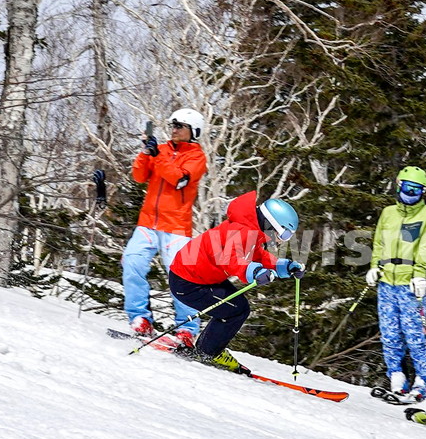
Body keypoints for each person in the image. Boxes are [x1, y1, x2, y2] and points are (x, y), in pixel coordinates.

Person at [168, 191, 302, 373]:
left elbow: (257, 255)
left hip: (201, 277)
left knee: (237, 308)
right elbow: (229, 258)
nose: (282, 240)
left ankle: (206, 349)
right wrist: (254, 272)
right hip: (189, 282)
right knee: (236, 310)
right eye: (284, 234)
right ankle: (207, 353)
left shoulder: (250, 228)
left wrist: (282, 266)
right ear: (272, 223)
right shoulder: (243, 230)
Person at [122, 108, 208, 346]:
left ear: (193, 130)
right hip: (148, 222)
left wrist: (157, 157)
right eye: (173, 125)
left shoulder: (196, 158)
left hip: (176, 227)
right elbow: (139, 176)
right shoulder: (160, 150)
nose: (174, 129)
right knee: (132, 262)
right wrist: (146, 153)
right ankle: (140, 318)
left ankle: (187, 328)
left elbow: (179, 179)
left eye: (180, 126)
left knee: (181, 276)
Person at [366, 166, 426, 403]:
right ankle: (396, 376)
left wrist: (420, 274)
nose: (411, 193)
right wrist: (374, 266)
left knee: (415, 333)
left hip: (410, 283)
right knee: (389, 333)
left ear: (423, 192)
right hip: (387, 281)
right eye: (408, 188)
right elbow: (378, 242)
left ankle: (422, 381)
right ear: (398, 186)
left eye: (417, 189)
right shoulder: (388, 213)